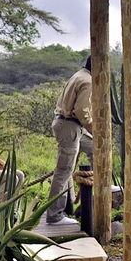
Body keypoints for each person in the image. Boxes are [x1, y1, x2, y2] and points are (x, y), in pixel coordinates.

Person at [48, 55, 94, 225]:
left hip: (69, 124)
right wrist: (93, 126)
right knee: (64, 170)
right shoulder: (88, 81)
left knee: (95, 149)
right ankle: (54, 216)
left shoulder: (79, 74)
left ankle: (100, 184)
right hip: (70, 125)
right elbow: (82, 111)